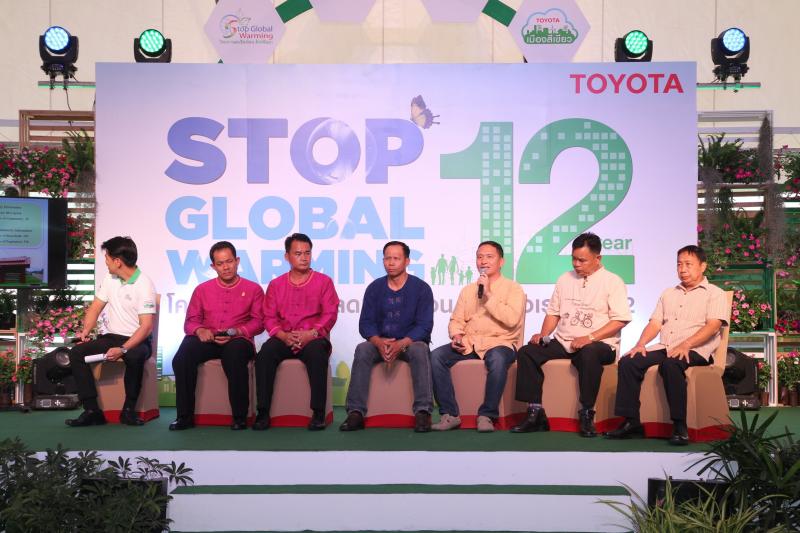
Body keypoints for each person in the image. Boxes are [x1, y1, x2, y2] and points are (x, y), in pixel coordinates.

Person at [605, 245, 728, 445]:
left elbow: (713, 326)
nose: (682, 269)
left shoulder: (715, 293)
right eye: (679, 264)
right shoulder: (668, 293)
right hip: (666, 346)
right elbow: (655, 323)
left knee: (671, 364)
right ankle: (631, 421)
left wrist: (686, 344)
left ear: (702, 266)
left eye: (688, 264)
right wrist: (640, 344)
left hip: (696, 349)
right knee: (629, 361)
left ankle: (679, 426)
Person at [512, 232, 631, 437]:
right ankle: (535, 412)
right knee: (527, 352)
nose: (576, 264)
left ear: (598, 258)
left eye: (582, 260)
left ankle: (587, 413)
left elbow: (620, 320)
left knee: (589, 353)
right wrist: (543, 334)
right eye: (573, 259)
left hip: (601, 344)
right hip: (564, 341)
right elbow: (553, 313)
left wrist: (589, 338)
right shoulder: (564, 279)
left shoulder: (613, 281)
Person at [430, 241, 525, 433]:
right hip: (470, 343)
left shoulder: (513, 288)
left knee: (497, 358)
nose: (483, 261)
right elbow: (456, 319)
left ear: (501, 262)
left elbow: (512, 319)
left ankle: (487, 415)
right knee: (436, 356)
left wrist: (488, 294)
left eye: (489, 257)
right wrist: (457, 335)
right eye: (480, 257)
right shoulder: (468, 290)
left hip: (501, 342)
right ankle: (449, 414)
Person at [339, 241, 434, 433]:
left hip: (410, 342)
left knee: (420, 349)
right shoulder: (374, 288)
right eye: (387, 258)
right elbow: (365, 323)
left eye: (396, 258)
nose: (391, 263)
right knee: (363, 349)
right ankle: (356, 412)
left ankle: (423, 411)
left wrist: (402, 343)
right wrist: (378, 341)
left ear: (407, 261)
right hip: (380, 342)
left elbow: (424, 325)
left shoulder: (421, 288)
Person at [168, 241, 264, 431]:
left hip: (238, 340)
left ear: (237, 261)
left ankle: (239, 417)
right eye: (220, 264)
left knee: (234, 354)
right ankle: (184, 417)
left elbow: (259, 322)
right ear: (213, 266)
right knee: (182, 357)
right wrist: (200, 330)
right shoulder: (202, 290)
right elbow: (190, 322)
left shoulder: (254, 289)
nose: (225, 267)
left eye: (229, 261)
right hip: (208, 338)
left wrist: (237, 331)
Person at [65, 236, 157, 427]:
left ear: (117, 261)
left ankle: (128, 411)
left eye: (106, 258)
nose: (105, 262)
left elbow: (146, 326)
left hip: (138, 340)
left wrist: (123, 349)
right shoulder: (109, 278)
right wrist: (85, 331)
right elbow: (95, 308)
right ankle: (92, 411)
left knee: (134, 355)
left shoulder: (144, 284)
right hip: (112, 337)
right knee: (77, 353)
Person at [253, 233, 339, 431]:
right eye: (298, 253)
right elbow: (268, 317)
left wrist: (311, 333)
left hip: (313, 337)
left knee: (317, 354)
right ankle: (263, 412)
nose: (304, 258)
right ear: (287, 256)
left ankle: (318, 414)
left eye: (307, 253)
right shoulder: (276, 285)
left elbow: (330, 313)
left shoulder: (324, 282)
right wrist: (283, 336)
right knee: (265, 354)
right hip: (284, 336)